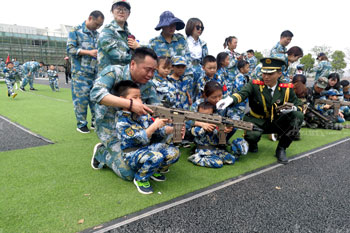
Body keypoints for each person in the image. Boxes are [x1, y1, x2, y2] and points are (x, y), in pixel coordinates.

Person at [90, 47, 160, 181]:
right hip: (110, 128)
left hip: (135, 129)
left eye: (154, 71)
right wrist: (130, 104)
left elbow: (156, 108)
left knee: (154, 158)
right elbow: (96, 94)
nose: (151, 74)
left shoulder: (148, 85)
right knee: (129, 172)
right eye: (147, 69)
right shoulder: (114, 72)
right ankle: (102, 153)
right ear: (133, 64)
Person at [217, 57, 304, 164]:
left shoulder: (286, 88)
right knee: (252, 137)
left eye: (270, 74)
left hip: (276, 121)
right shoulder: (255, 84)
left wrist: (293, 108)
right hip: (256, 121)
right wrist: (230, 99)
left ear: (279, 73)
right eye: (264, 73)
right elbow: (242, 94)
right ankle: (253, 143)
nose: (266, 77)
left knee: (298, 116)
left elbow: (299, 105)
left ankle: (281, 148)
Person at [113, 80, 179, 194]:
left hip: (147, 149)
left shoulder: (143, 116)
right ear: (123, 100)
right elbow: (137, 138)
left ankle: (153, 170)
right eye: (135, 97)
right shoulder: (122, 121)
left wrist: (171, 128)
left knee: (174, 152)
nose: (140, 101)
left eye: (140, 97)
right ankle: (140, 179)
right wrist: (154, 126)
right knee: (156, 157)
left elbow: (159, 132)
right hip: (132, 154)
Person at [67, 10, 104, 133]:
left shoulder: (97, 35)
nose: (97, 27)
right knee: (81, 100)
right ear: (90, 18)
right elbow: (70, 49)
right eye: (97, 24)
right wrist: (88, 52)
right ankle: (81, 124)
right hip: (80, 73)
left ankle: (95, 122)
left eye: (100, 25)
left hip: (95, 72)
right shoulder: (75, 31)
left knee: (96, 99)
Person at [148, 11, 193, 91]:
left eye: (173, 25)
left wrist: (188, 79)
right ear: (162, 26)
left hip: (181, 83)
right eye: (169, 25)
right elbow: (152, 65)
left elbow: (188, 61)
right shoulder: (154, 43)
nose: (172, 27)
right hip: (162, 85)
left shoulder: (181, 40)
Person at [188, 101, 237, 168]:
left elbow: (219, 137)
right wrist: (204, 127)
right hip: (203, 152)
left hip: (216, 150)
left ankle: (215, 158)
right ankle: (195, 158)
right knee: (218, 163)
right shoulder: (197, 126)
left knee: (231, 159)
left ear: (213, 114)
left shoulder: (216, 124)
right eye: (201, 115)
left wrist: (223, 130)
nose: (205, 118)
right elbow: (196, 132)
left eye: (209, 115)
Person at [97, 0, 139, 72]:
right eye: (118, 8)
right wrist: (140, 58)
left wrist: (138, 48)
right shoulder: (107, 31)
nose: (121, 12)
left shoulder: (128, 34)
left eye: (125, 9)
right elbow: (117, 55)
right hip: (109, 77)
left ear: (128, 14)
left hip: (125, 77)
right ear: (112, 11)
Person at [185, 18, 208, 89]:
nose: (200, 30)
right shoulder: (183, 42)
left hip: (200, 73)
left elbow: (205, 60)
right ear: (191, 27)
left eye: (201, 28)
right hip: (187, 72)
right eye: (197, 27)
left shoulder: (203, 44)